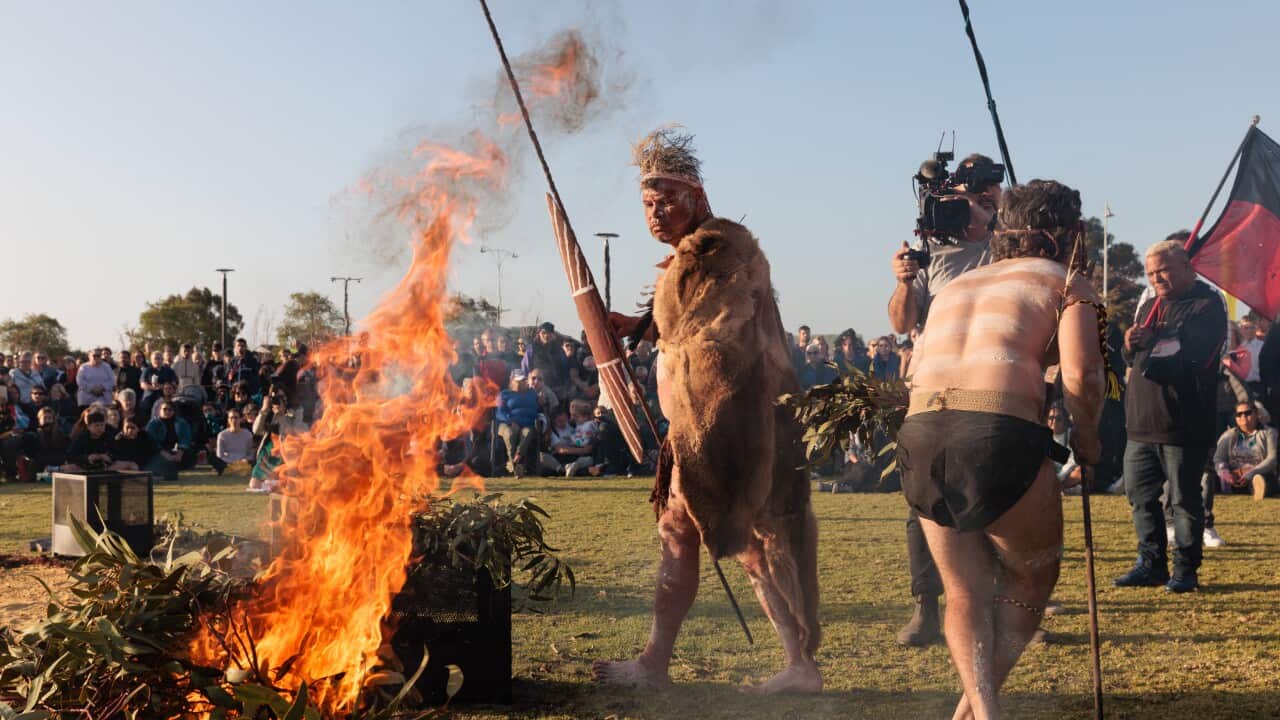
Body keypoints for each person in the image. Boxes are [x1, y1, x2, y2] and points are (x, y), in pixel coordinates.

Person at [593, 127, 820, 693]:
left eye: (666, 199)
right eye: (647, 203)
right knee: (684, 531)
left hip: (737, 428)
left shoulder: (720, 248)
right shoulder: (688, 261)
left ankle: (800, 665)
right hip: (700, 429)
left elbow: (718, 335)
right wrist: (630, 325)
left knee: (755, 543)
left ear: (696, 196)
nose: (656, 212)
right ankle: (656, 661)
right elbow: (683, 325)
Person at [896, 179, 1105, 719]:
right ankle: (979, 710)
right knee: (1032, 576)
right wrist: (1086, 436)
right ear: (1071, 233)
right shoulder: (1067, 279)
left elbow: (916, 369)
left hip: (920, 436)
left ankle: (976, 712)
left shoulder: (956, 286)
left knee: (963, 591)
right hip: (993, 434)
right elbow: (1082, 374)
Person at [886, 152, 1004, 648]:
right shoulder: (931, 251)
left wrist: (985, 220)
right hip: (935, 386)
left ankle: (1007, 609)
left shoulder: (1010, 241)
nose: (968, 210)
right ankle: (926, 607)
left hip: (994, 381)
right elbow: (900, 322)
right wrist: (903, 280)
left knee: (999, 495)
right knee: (924, 496)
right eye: (964, 198)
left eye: (982, 197)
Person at [1114, 236, 1228, 594]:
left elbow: (1193, 357)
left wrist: (1151, 342)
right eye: (1150, 273)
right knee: (1139, 497)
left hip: (1183, 423)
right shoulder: (1148, 303)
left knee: (1183, 500)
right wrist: (1129, 343)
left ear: (1186, 266)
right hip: (1140, 423)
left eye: (1163, 270)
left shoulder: (1208, 304)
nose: (1155, 279)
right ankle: (1150, 565)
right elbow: (1134, 360)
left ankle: (1185, 570)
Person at [1213, 401, 1277, 500]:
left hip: (1258, 473)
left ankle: (1259, 489)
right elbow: (1218, 458)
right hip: (1234, 476)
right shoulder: (1228, 435)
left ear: (1256, 414)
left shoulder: (1269, 433)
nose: (1243, 416)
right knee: (1210, 477)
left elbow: (1272, 459)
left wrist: (1251, 473)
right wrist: (1225, 473)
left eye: (1247, 413)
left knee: (1263, 479)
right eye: (1239, 414)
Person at [495, 372, 540, 478]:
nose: (521, 383)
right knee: (510, 434)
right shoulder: (504, 394)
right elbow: (499, 413)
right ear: (512, 381)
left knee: (527, 433)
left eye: (523, 381)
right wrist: (510, 421)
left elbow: (535, 410)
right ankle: (516, 467)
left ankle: (516, 459)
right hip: (507, 424)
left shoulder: (532, 393)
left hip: (526, 424)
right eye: (518, 381)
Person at [65, 411, 137, 472]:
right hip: (85, 468)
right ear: (88, 426)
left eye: (102, 425)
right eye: (96, 425)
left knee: (132, 465)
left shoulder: (108, 436)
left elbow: (117, 452)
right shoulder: (82, 438)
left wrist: (108, 457)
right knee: (67, 468)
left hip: (106, 467)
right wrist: (86, 458)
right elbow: (71, 455)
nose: (100, 428)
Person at [146, 399, 195, 479]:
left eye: (170, 410)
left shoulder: (181, 422)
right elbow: (152, 442)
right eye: (165, 409)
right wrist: (166, 455)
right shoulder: (153, 423)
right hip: (158, 451)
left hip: (174, 451)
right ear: (160, 410)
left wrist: (179, 454)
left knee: (190, 456)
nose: (167, 412)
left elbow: (185, 439)